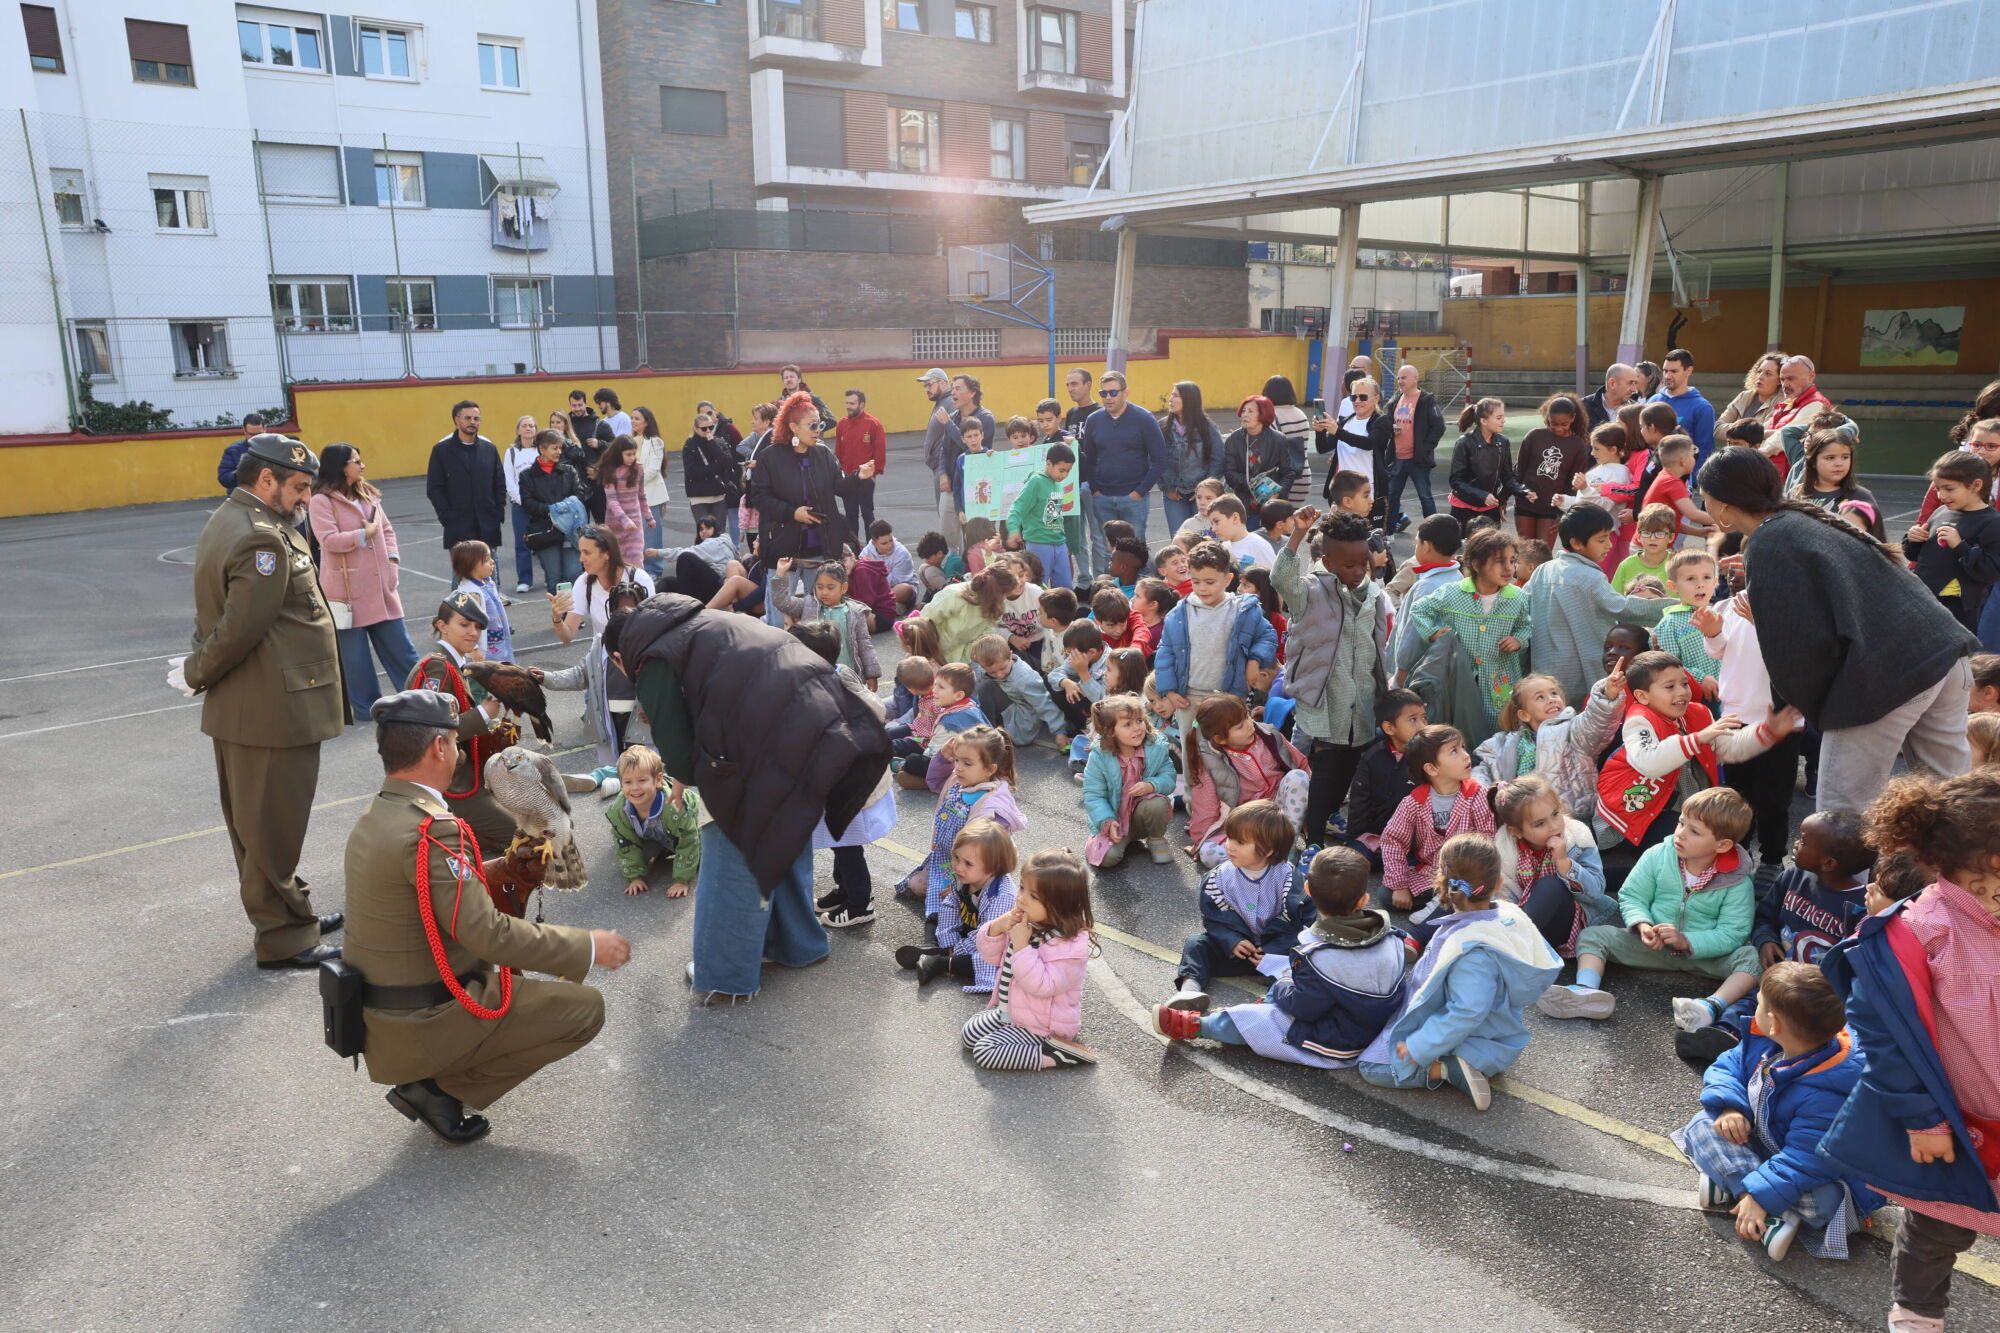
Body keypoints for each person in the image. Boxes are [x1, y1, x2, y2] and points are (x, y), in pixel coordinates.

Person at [340, 690, 629, 1143]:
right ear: (438, 747)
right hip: (427, 1017)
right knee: (585, 1010)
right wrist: (588, 945)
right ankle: (437, 1088)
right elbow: (486, 935)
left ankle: (434, 1077)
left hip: (384, 1016)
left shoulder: (377, 816)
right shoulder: (432, 830)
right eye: (455, 742)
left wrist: (503, 871)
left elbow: (428, 902)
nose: (457, 751)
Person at [621, 593, 888, 1003]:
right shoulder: (714, 621)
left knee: (730, 861)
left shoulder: (654, 658)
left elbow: (676, 746)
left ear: (624, 653)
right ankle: (799, 946)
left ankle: (725, 978)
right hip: (813, 730)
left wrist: (690, 779)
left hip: (761, 747)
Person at [1698, 444, 1978, 814]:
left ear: (1720, 503)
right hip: (1943, 653)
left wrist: (1794, 710)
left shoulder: (1769, 539)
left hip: (1884, 676)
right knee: (1952, 803)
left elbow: (1796, 648)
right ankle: (1971, 872)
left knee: (1841, 819)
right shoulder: (1805, 519)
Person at [1819, 771, 2000, 1331]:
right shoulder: (1921, 929)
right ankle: (1916, 1318)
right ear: (1949, 868)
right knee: (1936, 1231)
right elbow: (1882, 1035)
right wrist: (1922, 1118)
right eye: (1989, 883)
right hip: (1959, 1121)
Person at [171, 434, 346, 969]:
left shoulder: (234, 518)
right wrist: (195, 671)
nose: (303, 499)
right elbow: (239, 627)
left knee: (264, 823)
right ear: (264, 480)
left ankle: (293, 910)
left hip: (256, 704)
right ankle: (283, 937)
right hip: (274, 708)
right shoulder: (262, 538)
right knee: (271, 827)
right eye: (297, 487)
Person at [1672, 961, 1881, 1263]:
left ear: (1775, 1022)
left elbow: (1808, 1159)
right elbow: (1728, 1065)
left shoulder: (1830, 1091)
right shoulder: (1769, 1041)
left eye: (1758, 1002)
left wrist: (1759, 1196)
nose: (1752, 1007)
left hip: (1827, 1171)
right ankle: (1760, 1203)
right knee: (1703, 1124)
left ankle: (1736, 1185)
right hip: (1775, 1144)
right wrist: (1731, 1106)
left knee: (1823, 1202)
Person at [1154, 844, 1413, 1066]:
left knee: (1263, 1022)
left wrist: (1285, 984)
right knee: (1285, 981)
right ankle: (1257, 1002)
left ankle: (1199, 1026)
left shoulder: (1319, 958)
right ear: (1364, 900)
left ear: (1308, 890)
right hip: (1380, 1019)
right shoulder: (1387, 930)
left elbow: (1303, 1008)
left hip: (1344, 1039)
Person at [1358, 833, 1563, 1110]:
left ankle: (1447, 1068)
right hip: (1495, 1033)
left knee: (1372, 1067)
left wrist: (1421, 1046)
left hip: (1476, 1040)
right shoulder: (1504, 916)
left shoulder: (1473, 951)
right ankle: (1460, 1060)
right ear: (1499, 883)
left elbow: (1467, 1010)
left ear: (1441, 884)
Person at [1546, 784, 1763, 1026]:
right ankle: (1585, 991)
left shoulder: (1737, 880)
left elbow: (1733, 932)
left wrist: (1687, 941)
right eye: (1681, 823)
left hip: (1704, 957)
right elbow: (1632, 895)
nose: (1680, 833)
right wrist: (1642, 924)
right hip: (1653, 947)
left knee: (1752, 959)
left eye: (1694, 831)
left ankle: (1710, 1006)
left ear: (1722, 845)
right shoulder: (1658, 855)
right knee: (1593, 936)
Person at [1274, 508, 1388, 846]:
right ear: (1326, 559)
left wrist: (1385, 692)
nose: (1356, 572)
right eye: (1347, 565)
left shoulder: (1373, 596)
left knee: (1349, 770)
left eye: (1362, 565)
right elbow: (1281, 579)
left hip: (1361, 701)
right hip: (1324, 699)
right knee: (1325, 771)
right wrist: (1297, 534)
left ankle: (1323, 822)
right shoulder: (1308, 592)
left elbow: (1378, 647)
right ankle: (1312, 840)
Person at [1161, 801, 1309, 1013]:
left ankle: (1283, 996)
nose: (1229, 845)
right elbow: (1214, 918)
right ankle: (1189, 990)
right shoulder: (1219, 878)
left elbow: (1303, 923)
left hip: (1277, 952)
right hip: (1238, 952)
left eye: (1239, 842)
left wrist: (1274, 949)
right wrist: (1232, 940)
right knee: (1196, 944)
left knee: (1307, 956)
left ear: (1268, 850)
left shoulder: (1287, 878)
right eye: (1229, 837)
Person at [960, 848, 1098, 1071]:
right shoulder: (1028, 923)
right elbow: (991, 957)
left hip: (1042, 1027)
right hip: (1012, 1013)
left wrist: (1022, 945)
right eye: (1022, 887)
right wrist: (996, 928)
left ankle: (1057, 1054)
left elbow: (1042, 985)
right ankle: (1009, 1030)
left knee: (985, 1051)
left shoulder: (1071, 947)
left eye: (1033, 896)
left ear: (1058, 905)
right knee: (969, 1034)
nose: (1021, 898)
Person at [309, 443, 421, 718]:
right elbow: (327, 540)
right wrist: (362, 535)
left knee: (402, 651)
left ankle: (419, 699)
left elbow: (387, 531)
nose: (362, 466)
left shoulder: (368, 494)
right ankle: (368, 710)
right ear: (341, 467)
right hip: (346, 593)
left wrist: (392, 562)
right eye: (356, 461)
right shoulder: (321, 501)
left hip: (382, 588)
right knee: (356, 660)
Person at [1522, 504, 1665, 705]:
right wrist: (1671, 606)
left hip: (1543, 669)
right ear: (1577, 543)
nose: (1608, 544)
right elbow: (1624, 608)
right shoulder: (1591, 577)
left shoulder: (1543, 570)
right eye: (1601, 539)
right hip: (1581, 671)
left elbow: (1521, 603)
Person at [1408, 525, 1532, 725]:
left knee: (1499, 723)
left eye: (1512, 561)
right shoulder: (1452, 593)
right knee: (1460, 724)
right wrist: (1432, 633)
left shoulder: (1518, 598)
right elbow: (1419, 609)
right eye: (1500, 562)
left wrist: (1518, 640)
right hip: (1459, 678)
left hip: (1499, 679)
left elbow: (1525, 626)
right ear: (1476, 564)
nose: (1509, 568)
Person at [1153, 540, 1279, 733]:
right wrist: (1169, 690)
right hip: (1189, 698)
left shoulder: (1243, 610)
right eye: (1196, 581)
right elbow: (1165, 652)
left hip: (1230, 696)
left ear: (1228, 579)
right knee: (1193, 755)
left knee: (1228, 752)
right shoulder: (1179, 614)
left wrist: (1255, 660)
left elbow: (1267, 637)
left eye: (1210, 582)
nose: (1202, 588)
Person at [1474, 671, 1622, 822]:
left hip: (1569, 819)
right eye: (1540, 697)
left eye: (1554, 693)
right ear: (1524, 715)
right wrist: (1486, 795)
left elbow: (1595, 723)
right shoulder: (1508, 742)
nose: (1551, 699)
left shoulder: (1573, 729)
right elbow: (1483, 769)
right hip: (1525, 820)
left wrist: (1606, 695)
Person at [750, 390, 849, 617]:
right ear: (794, 427)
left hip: (820, 549)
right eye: (812, 426)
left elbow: (839, 487)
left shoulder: (823, 454)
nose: (818, 431)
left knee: (820, 618)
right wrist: (792, 513)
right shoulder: (770, 457)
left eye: (820, 425)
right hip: (784, 551)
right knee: (776, 618)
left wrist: (860, 478)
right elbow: (759, 497)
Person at [1492, 776, 1615, 955]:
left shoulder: (1577, 836)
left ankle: (1508, 950)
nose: (1554, 826)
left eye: (1555, 814)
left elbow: (1596, 890)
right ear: (1517, 831)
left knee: (1550, 886)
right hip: (1522, 923)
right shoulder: (1505, 848)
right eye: (1540, 823)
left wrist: (1565, 863)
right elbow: (1504, 897)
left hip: (1566, 923)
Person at [1380, 724, 1494, 914]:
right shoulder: (1415, 801)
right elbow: (1393, 840)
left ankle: (1439, 907)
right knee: (1387, 894)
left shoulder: (1476, 794)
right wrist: (1399, 885)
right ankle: (1441, 903)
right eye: (1454, 751)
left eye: (1463, 747)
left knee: (1468, 893)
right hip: (1430, 873)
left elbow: (1488, 838)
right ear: (1432, 768)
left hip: (1469, 873)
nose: (1466, 755)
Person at [1183, 692, 1310, 860]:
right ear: (1220, 739)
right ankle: (1264, 860)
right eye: (1240, 726)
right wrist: (1200, 841)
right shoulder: (1209, 760)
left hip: (1278, 813)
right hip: (1246, 821)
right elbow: (1205, 806)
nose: (1250, 724)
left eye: (1247, 717)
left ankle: (1286, 848)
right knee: (1209, 852)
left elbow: (1301, 763)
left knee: (1298, 777)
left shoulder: (1268, 735)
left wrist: (1314, 813)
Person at [902, 818, 1019, 989]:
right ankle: (932, 947)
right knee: (937, 915)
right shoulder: (966, 876)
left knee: (988, 961)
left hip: (989, 941)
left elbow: (987, 935)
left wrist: (958, 949)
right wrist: (949, 941)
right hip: (968, 929)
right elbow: (951, 904)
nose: (958, 867)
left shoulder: (1001, 895)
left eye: (968, 863)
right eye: (956, 857)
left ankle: (940, 962)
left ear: (993, 867)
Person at [1905, 451, 2000, 637]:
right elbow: (1916, 556)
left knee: (1954, 657)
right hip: (1924, 598)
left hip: (1959, 608)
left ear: (1975, 486)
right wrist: (1912, 539)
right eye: (1938, 489)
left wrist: (1960, 546)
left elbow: (1990, 571)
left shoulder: (1992, 523)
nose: (1941, 495)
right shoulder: (1941, 512)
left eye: (1949, 489)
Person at [1080, 370, 1170, 567]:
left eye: (1113, 392)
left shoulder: (1144, 419)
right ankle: (1107, 594)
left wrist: (1139, 491)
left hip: (1133, 499)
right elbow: (1089, 460)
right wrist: (1095, 490)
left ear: (1125, 393)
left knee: (1135, 551)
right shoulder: (1094, 420)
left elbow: (1160, 459)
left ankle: (1139, 593)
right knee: (1106, 551)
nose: (1108, 398)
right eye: (1103, 393)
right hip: (1102, 497)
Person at [1082, 694, 1178, 868]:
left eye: (1139, 721)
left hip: (1143, 814)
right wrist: (1107, 821)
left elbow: (1169, 777)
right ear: (1111, 731)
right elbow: (1093, 795)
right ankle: (1120, 839)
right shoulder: (1099, 756)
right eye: (1127, 724)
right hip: (1117, 819)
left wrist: (1151, 785)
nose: (1137, 728)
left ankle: (1156, 838)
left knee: (1156, 804)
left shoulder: (1156, 747)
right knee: (1107, 860)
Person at [606, 744, 701, 898]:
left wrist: (682, 880)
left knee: (705, 858)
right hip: (658, 835)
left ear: (658, 780)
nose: (635, 788)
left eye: (642, 780)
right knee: (627, 848)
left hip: (693, 829)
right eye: (628, 782)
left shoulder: (674, 808)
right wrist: (634, 877)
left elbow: (689, 840)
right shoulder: (620, 811)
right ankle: (662, 850)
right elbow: (625, 844)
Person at [772, 560, 881, 690]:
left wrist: (872, 675)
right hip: (816, 675)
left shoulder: (855, 612)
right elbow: (783, 602)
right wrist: (780, 574)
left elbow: (865, 646)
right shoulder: (807, 605)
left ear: (844, 588)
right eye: (819, 587)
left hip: (849, 676)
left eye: (830, 587)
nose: (824, 592)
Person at [426, 400, 504, 550]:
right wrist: (447, 517)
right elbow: (434, 489)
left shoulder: (489, 449)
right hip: (458, 528)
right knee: (461, 574)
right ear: (456, 420)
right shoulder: (441, 451)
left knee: (490, 572)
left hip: (487, 526)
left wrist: (497, 513)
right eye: (467, 418)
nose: (472, 422)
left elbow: (499, 484)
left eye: (476, 418)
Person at [1513, 394, 1590, 546]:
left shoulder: (1578, 445)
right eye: (1553, 423)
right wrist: (1507, 496)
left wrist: (1564, 512)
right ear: (1547, 416)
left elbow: (1574, 484)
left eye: (1564, 424)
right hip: (1525, 505)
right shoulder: (1534, 436)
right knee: (1524, 553)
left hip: (1552, 509)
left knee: (1543, 554)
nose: (1558, 428)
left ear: (1573, 418)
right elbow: (1518, 471)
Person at [517, 429, 587, 594]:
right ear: (542, 449)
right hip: (545, 532)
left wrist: (562, 508)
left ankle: (574, 616)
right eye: (554, 448)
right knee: (554, 577)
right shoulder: (527, 476)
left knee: (574, 573)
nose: (559, 452)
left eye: (560, 448)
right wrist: (550, 510)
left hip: (570, 531)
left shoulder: (569, 470)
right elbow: (528, 504)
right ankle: (560, 617)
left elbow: (580, 493)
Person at [1446, 397, 1525, 535]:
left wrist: (1524, 491)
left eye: (1503, 416)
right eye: (1499, 417)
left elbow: (1507, 477)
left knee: (1490, 549)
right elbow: (1456, 480)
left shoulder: (1503, 442)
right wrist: (1482, 495)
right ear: (1483, 421)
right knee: (1463, 550)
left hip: (1489, 507)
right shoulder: (1464, 443)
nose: (1503, 420)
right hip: (1464, 507)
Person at [1383, 362, 1446, 530]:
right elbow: (1388, 424)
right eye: (1398, 378)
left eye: (1404, 377)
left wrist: (1425, 448)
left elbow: (1439, 427)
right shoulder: (1395, 401)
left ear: (1415, 379)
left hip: (1417, 459)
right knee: (1392, 496)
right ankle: (1388, 533)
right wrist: (1391, 430)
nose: (1400, 381)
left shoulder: (1426, 401)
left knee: (1425, 497)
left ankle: (1433, 532)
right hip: (1397, 458)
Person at [1007, 441, 1077, 589]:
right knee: (1038, 587)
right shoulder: (1036, 482)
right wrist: (1013, 529)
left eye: (1068, 471)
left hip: (1059, 542)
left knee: (1065, 587)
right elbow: (1017, 506)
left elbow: (1054, 517)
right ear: (1049, 463)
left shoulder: (1057, 483)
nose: (1064, 475)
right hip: (1038, 543)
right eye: (1061, 470)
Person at [1219, 394, 1297, 521]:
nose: (1245, 414)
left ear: (1263, 414)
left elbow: (1288, 472)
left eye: (1250, 411)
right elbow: (1229, 472)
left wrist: (1278, 493)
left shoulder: (1278, 439)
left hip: (1271, 504)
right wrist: (1256, 488)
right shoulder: (1233, 440)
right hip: (1243, 503)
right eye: (1243, 411)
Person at [1159, 380, 1221, 532]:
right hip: (1174, 495)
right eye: (1171, 395)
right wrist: (1168, 488)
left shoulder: (1207, 427)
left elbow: (1218, 459)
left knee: (1204, 540)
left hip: (1201, 495)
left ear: (1189, 400)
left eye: (1176, 396)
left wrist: (1204, 490)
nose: (1171, 399)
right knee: (1179, 540)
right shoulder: (1162, 426)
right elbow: (1155, 459)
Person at [1649, 349, 1717, 472]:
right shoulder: (1653, 401)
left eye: (1674, 371)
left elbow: (1705, 449)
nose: (1667, 376)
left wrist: (1692, 481)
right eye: (1665, 371)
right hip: (1650, 476)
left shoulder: (1702, 407)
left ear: (1689, 371)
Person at [832, 388, 886, 539]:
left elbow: (879, 453)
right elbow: (838, 453)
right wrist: (840, 475)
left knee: (868, 515)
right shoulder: (841, 424)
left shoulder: (873, 424)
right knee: (850, 516)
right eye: (847, 403)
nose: (848, 406)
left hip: (866, 479)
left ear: (862, 404)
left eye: (852, 403)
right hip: (849, 479)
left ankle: (872, 548)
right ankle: (854, 548)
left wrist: (872, 475)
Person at [680, 408, 741, 538]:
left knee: (719, 532)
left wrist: (712, 443)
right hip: (699, 496)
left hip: (718, 495)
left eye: (710, 427)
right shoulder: (690, 445)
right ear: (696, 429)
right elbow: (692, 472)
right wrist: (716, 468)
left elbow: (727, 462)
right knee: (704, 533)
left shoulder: (718, 441)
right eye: (704, 429)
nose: (708, 431)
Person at [451, 541, 513, 665]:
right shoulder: (470, 592)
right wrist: (473, 649)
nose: (492, 562)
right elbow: (466, 623)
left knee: (504, 672)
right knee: (490, 676)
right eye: (486, 560)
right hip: (487, 647)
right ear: (471, 565)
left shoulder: (488, 583)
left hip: (499, 641)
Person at [1766, 355, 1834, 467]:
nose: (1785, 385)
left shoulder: (1816, 404)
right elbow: (1767, 429)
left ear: (1811, 376)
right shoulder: (1788, 403)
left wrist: (1756, 455)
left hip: (1790, 477)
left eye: (1791, 378)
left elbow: (1780, 439)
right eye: (1782, 379)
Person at [594, 435, 649, 569]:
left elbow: (641, 495)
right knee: (616, 562)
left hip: (635, 524)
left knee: (636, 559)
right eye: (628, 454)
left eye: (634, 454)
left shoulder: (638, 469)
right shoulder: (609, 471)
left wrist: (648, 516)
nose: (632, 458)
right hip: (615, 525)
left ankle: (638, 587)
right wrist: (624, 520)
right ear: (618, 454)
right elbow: (612, 501)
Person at [501, 413, 541, 593]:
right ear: (518, 430)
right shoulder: (511, 453)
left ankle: (550, 576)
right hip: (521, 506)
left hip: (541, 504)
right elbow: (509, 481)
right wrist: (523, 501)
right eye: (524, 425)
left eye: (531, 426)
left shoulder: (541, 450)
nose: (528, 428)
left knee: (544, 540)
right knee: (522, 543)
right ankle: (525, 579)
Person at [1261, 374, 1315, 506]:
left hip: (1280, 479)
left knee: (1275, 520)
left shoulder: (1271, 416)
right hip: (1302, 475)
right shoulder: (1300, 414)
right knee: (1292, 521)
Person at [1715, 352, 1785, 453]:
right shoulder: (1744, 396)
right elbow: (1717, 428)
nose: (1760, 376)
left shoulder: (1781, 403)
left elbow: (1759, 435)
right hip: (1732, 455)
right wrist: (1743, 432)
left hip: (1756, 459)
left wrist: (1734, 431)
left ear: (1780, 380)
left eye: (1768, 374)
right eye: (1759, 371)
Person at [630, 406, 670, 578]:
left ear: (647, 422)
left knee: (651, 536)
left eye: (637, 418)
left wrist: (631, 482)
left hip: (650, 496)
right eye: (632, 418)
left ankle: (654, 570)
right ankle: (639, 570)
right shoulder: (629, 441)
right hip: (631, 497)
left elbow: (653, 470)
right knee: (635, 536)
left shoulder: (655, 441)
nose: (633, 421)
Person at [1614, 504, 1679, 594]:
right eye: (1647, 533)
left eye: (1659, 534)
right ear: (1639, 536)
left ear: (1671, 537)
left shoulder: (1679, 564)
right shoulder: (1626, 565)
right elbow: (1615, 599)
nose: (1652, 538)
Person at [1206, 496, 1274, 571]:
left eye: (1216, 521)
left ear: (1235, 518)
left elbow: (1275, 579)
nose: (1213, 529)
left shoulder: (1259, 545)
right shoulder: (1223, 548)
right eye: (1211, 524)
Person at [1582, 362, 1643, 430]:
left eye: (1635, 383)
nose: (1634, 389)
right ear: (1612, 383)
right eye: (1630, 383)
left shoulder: (1638, 411)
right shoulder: (1583, 407)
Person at [216, 413, 264, 493]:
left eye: (259, 434)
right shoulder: (232, 451)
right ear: (244, 431)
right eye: (251, 434)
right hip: (242, 498)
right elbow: (224, 479)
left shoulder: (275, 447)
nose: (256, 438)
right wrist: (241, 472)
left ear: (265, 429)